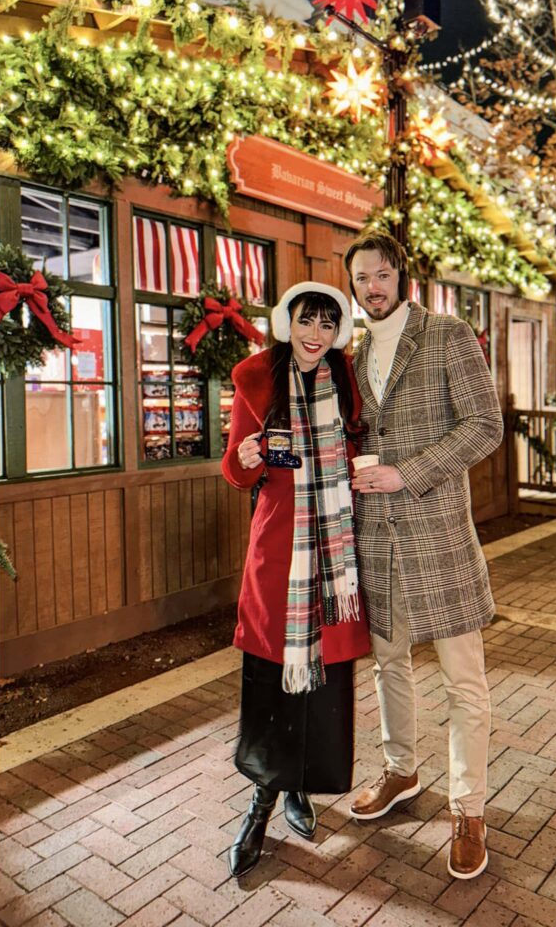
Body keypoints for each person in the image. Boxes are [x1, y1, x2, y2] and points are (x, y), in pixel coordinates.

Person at [343, 229, 503, 880]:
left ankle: (469, 809)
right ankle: (401, 770)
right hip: (377, 542)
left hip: (438, 538)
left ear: (400, 276)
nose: (371, 288)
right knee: (388, 666)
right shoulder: (351, 357)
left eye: (380, 275)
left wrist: (408, 472)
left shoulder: (447, 334)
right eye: (360, 280)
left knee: (465, 682)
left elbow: (485, 425)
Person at [221, 282, 370, 878]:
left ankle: (298, 788)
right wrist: (249, 455)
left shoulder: (350, 383)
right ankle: (261, 799)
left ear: (337, 333)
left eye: (327, 326)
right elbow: (233, 468)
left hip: (333, 560)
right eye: (307, 322)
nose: (316, 335)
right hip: (279, 552)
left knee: (324, 682)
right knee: (269, 681)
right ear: (289, 322)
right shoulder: (257, 380)